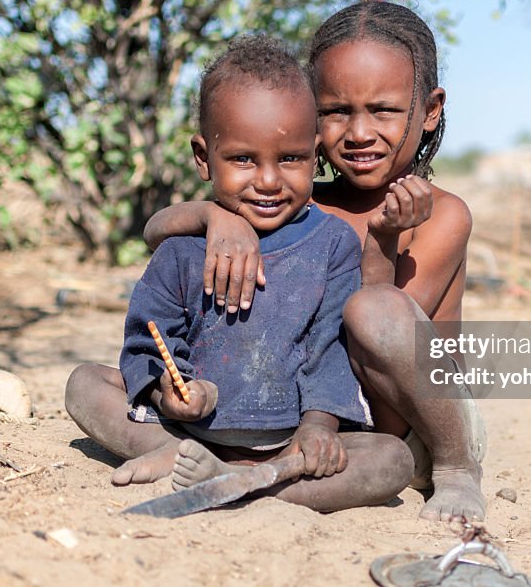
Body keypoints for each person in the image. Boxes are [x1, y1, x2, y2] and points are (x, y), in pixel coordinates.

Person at [143, 0, 486, 522]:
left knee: (370, 310)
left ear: (431, 109)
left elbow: (368, 344)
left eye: (384, 109)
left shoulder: (443, 217)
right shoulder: (293, 202)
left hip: (415, 424)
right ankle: (245, 474)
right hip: (312, 422)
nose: (359, 132)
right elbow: (154, 233)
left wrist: (383, 240)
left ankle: (459, 472)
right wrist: (215, 217)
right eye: (335, 111)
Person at [65, 35, 413, 513]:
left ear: (315, 156)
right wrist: (171, 390)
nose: (269, 181)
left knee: (392, 461)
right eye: (243, 159)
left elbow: (330, 347)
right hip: (189, 428)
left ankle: (241, 479)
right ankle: (183, 455)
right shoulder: (183, 249)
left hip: (289, 439)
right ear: (204, 157)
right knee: (85, 384)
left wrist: (318, 426)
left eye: (290, 159)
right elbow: (151, 334)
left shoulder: (333, 244)